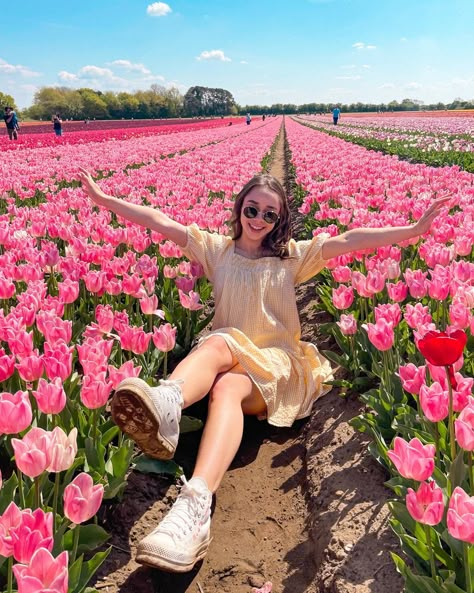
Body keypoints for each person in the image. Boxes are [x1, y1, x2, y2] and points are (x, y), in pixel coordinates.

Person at [78, 167, 449, 573]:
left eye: (269, 215)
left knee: (221, 340)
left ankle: (171, 404)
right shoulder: (215, 249)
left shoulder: (291, 257)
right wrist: (103, 200)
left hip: (276, 366)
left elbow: (349, 240)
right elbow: (159, 220)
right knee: (224, 379)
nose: (258, 219)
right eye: (252, 209)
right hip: (231, 368)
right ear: (239, 208)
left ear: (279, 220)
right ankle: (194, 505)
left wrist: (412, 229)